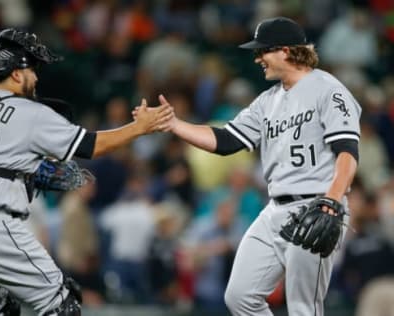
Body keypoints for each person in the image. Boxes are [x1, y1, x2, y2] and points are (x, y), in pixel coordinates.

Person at [0, 28, 172, 316]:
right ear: (15, 73)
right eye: (32, 69)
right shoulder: (27, 111)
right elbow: (90, 145)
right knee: (62, 305)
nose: (36, 78)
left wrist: (29, 172)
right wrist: (140, 128)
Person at [152, 17, 361, 315]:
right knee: (239, 297)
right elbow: (225, 140)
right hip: (274, 210)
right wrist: (174, 124)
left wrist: (332, 200)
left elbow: (348, 153)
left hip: (316, 205)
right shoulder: (267, 101)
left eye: (263, 50)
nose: (258, 58)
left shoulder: (329, 89)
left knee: (304, 307)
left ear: (286, 51)